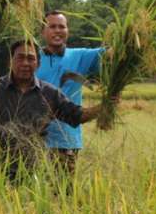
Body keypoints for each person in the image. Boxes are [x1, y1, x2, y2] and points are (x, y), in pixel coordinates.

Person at [0, 39, 111, 183]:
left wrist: (105, 106)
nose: (25, 63)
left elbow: (77, 116)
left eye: (31, 58)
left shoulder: (50, 93)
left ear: (38, 64)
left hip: (35, 172)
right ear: (11, 61)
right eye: (20, 57)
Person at [35, 10, 104, 175]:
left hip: (66, 140)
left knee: (63, 193)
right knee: (31, 192)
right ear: (43, 31)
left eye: (62, 27)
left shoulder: (80, 56)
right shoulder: (31, 58)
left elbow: (111, 54)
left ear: (68, 31)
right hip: (33, 138)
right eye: (52, 26)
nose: (57, 30)